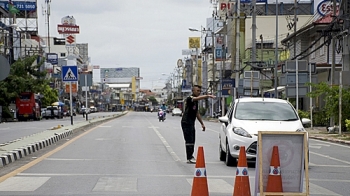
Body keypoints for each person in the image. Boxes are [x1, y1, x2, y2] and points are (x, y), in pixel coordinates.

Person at [181, 85, 216, 164]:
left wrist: (202, 124)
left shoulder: (196, 102)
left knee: (193, 139)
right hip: (186, 122)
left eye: (200, 91)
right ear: (193, 91)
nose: (199, 92)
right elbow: (196, 98)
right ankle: (189, 157)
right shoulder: (190, 98)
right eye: (197, 91)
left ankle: (191, 156)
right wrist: (207, 96)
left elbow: (197, 113)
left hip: (191, 122)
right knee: (189, 140)